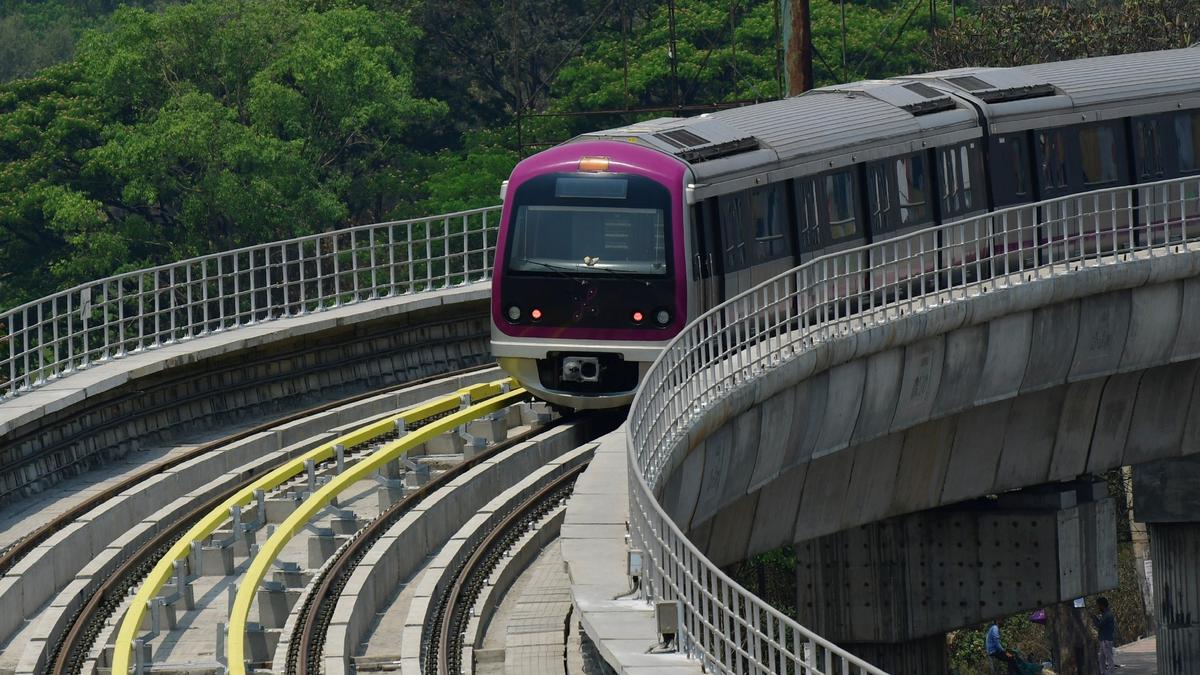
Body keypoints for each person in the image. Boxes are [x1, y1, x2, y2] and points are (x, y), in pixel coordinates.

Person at [1093, 597, 1116, 675]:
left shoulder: (1107, 615)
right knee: (1101, 658)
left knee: (1109, 658)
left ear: (1102, 605)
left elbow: (1099, 625)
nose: (1097, 607)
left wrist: (1093, 618)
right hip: (1103, 639)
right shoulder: (1105, 614)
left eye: (1098, 605)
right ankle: (1103, 672)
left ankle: (1111, 673)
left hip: (1106, 640)